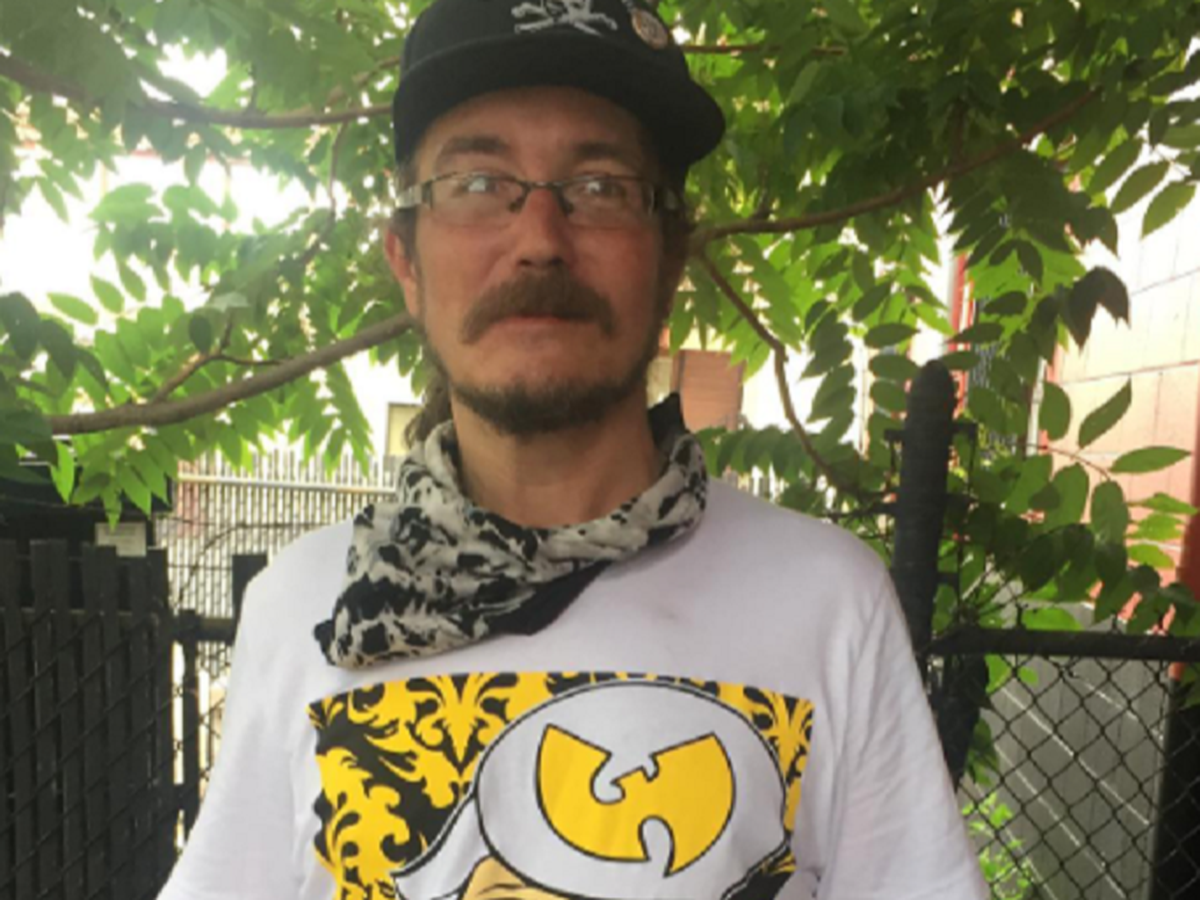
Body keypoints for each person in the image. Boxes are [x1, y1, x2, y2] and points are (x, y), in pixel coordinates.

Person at [159, 1, 987, 899]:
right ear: (406, 261)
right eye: (478, 182)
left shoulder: (826, 603)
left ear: (671, 258)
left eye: (601, 187)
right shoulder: (301, 608)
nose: (539, 241)